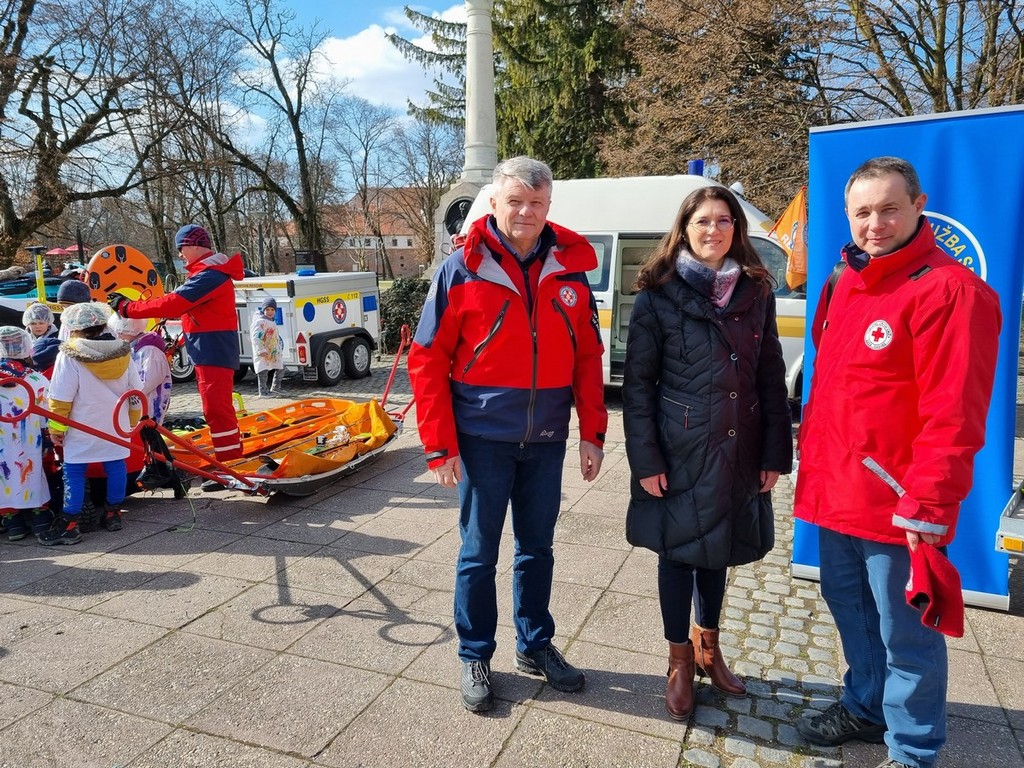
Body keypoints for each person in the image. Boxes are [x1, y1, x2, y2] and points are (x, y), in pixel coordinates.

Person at [793, 157, 1001, 768]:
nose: (875, 223)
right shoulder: (843, 280)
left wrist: (929, 503)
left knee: (906, 635)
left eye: (889, 208)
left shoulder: (952, 291)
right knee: (852, 612)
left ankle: (912, 750)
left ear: (918, 205)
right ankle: (866, 706)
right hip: (836, 491)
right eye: (862, 212)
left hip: (897, 504)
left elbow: (955, 413)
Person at [408, 156, 608, 713]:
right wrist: (439, 446)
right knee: (478, 553)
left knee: (537, 549)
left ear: (549, 206)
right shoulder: (461, 269)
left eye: (536, 203)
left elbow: (588, 357)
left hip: (546, 438)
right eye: (515, 201)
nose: (525, 212)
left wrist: (592, 432)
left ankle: (534, 644)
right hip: (482, 440)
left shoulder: (569, 271)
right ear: (494, 203)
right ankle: (475, 653)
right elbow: (427, 359)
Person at [621, 186, 793, 721]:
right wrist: (647, 461)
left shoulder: (756, 291)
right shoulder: (657, 295)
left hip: (740, 446)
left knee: (718, 550)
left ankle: (708, 650)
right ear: (685, 228)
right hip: (680, 449)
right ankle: (679, 660)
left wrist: (774, 452)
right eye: (702, 221)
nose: (713, 230)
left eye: (723, 220)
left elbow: (770, 376)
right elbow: (638, 387)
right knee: (677, 554)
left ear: (736, 229)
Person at [108, 224, 244, 461]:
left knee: (216, 409)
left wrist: (127, 308)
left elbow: (173, 304)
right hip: (210, 349)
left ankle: (230, 460)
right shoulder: (208, 274)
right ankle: (229, 456)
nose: (180, 254)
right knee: (215, 407)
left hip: (214, 350)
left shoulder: (210, 276)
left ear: (193, 246)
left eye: (181, 248)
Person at [40, 302, 142, 544]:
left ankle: (70, 522)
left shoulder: (69, 354)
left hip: (81, 424)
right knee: (115, 465)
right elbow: (135, 391)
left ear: (74, 327)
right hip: (116, 423)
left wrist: (56, 428)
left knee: (74, 471)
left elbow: (61, 396)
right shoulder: (123, 351)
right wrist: (132, 421)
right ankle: (113, 512)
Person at [0, 327, 52, 540]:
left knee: (4, 476)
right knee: (33, 471)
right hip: (31, 438)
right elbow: (48, 412)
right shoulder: (36, 379)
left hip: (2, 440)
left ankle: (13, 522)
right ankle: (41, 518)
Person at [108, 315, 173, 426]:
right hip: (138, 406)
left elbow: (147, 383)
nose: (118, 335)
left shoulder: (150, 351)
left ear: (131, 329)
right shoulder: (136, 348)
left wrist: (128, 397)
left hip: (148, 408)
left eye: (120, 332)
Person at [250, 296, 283, 397]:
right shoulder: (260, 322)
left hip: (272, 351)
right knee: (263, 370)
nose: (270, 312)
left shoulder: (271, 321)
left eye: (272, 309)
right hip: (264, 351)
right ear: (263, 309)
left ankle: (276, 388)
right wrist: (260, 349)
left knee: (280, 367)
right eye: (267, 309)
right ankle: (263, 391)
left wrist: (278, 348)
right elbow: (256, 337)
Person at [23, 302, 62, 375]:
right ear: (27, 324)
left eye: (41, 323)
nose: (37, 326)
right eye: (33, 323)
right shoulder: (22, 338)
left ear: (48, 323)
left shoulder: (58, 338)